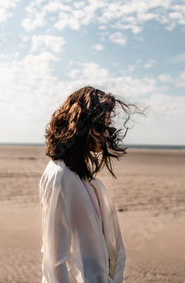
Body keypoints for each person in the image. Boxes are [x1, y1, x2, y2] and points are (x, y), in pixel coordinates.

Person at [39, 86, 142, 283]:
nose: (106, 135)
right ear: (78, 126)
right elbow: (55, 259)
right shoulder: (61, 176)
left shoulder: (79, 176)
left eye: (108, 126)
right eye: (99, 127)